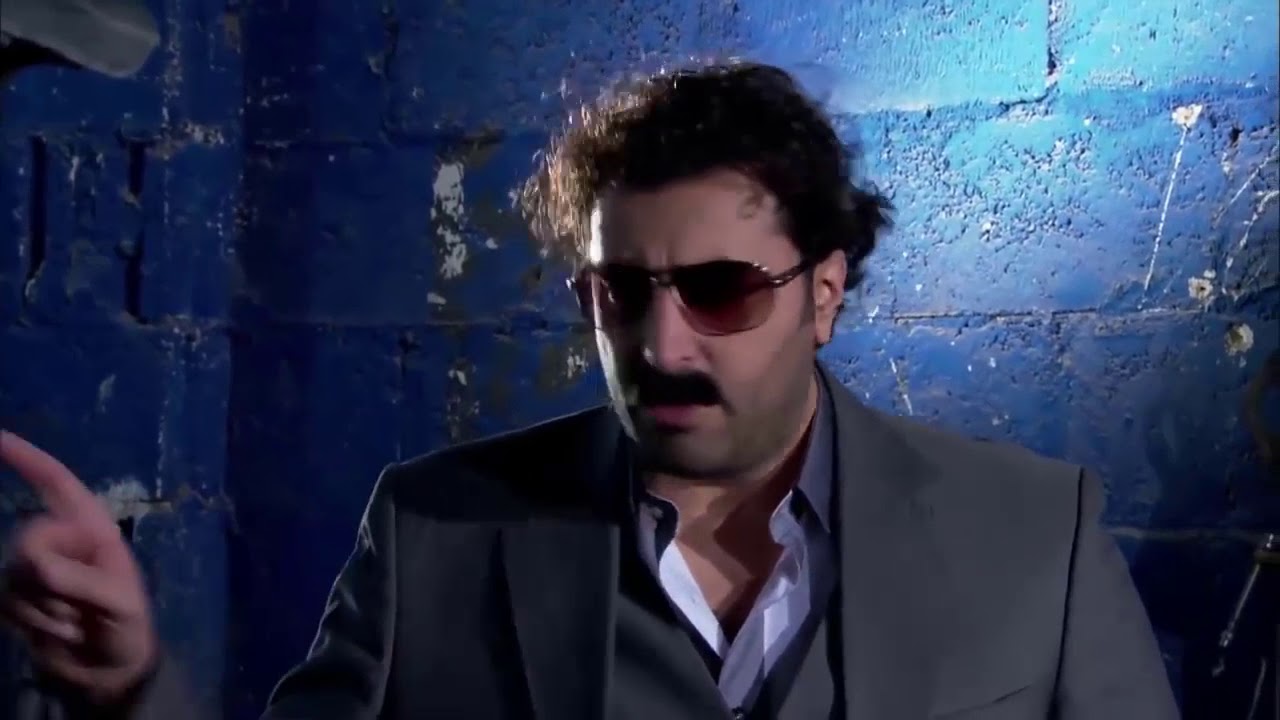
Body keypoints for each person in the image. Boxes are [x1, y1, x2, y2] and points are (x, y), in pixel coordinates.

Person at [1, 60, 1179, 720]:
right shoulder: (432, 530)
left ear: (823, 293)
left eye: (721, 290)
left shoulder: (1036, 534)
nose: (661, 343)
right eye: (620, 292)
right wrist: (134, 688)